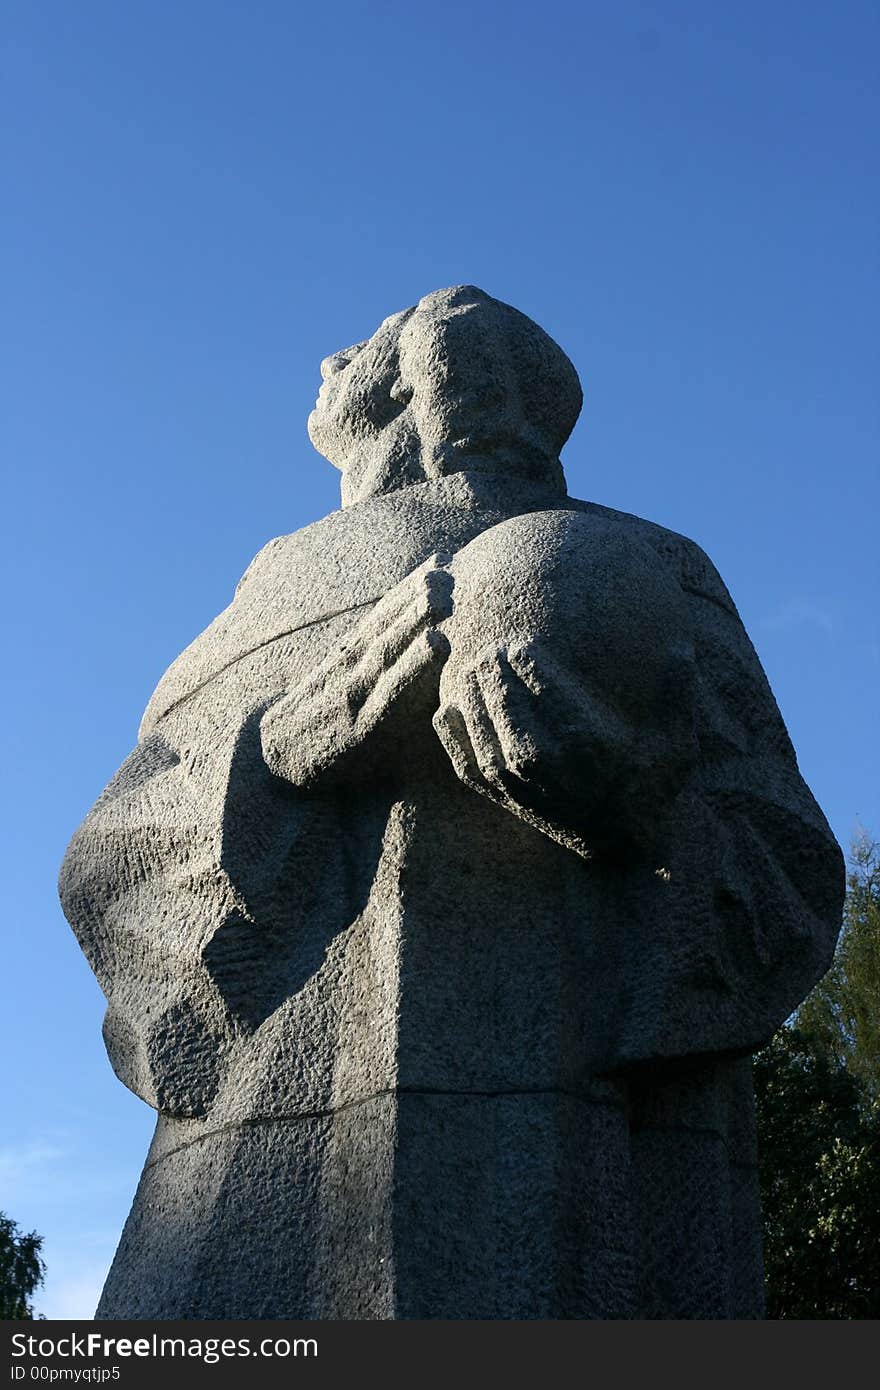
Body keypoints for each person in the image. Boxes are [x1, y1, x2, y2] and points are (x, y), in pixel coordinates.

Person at [60, 286, 843, 1318]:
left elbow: (784, 867)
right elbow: (111, 861)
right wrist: (275, 752)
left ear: (406, 394)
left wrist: (631, 815)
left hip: (591, 1150)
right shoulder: (279, 578)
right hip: (257, 1174)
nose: (330, 362)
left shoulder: (647, 565)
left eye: (359, 352)